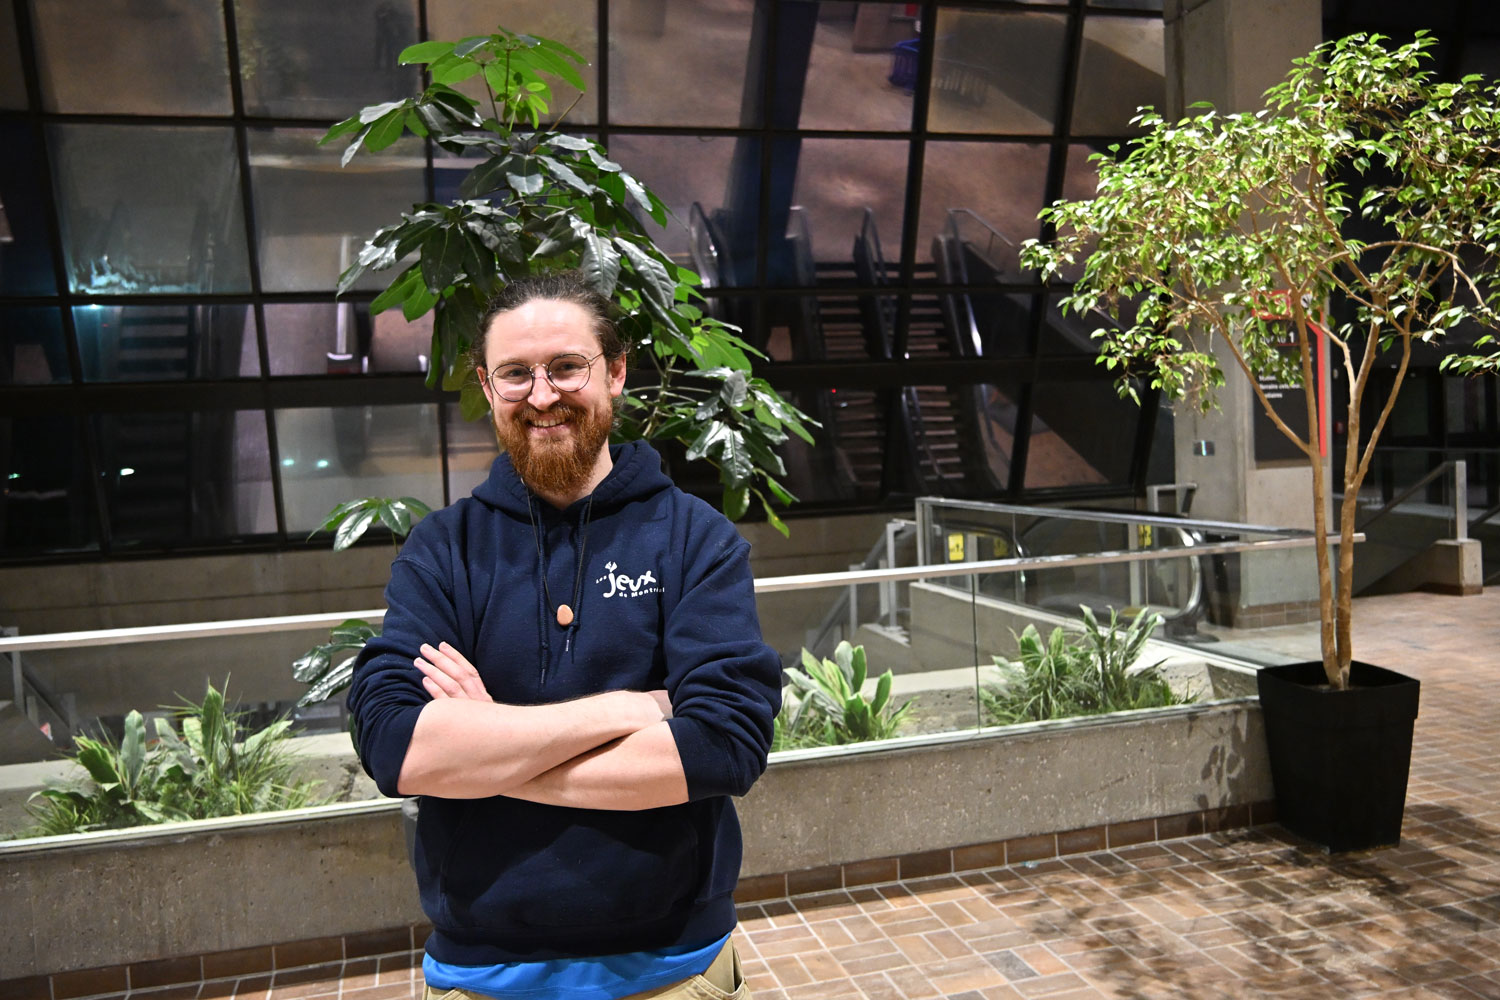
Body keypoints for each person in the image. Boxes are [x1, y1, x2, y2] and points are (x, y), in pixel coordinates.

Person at [347, 270, 782, 1000]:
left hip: (672, 969)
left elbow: (724, 745)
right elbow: (395, 744)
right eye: (516, 373)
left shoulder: (694, 540)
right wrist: (629, 710)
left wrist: (486, 749)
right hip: (480, 973)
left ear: (613, 373)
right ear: (488, 389)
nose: (542, 395)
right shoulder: (443, 549)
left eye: (566, 367)